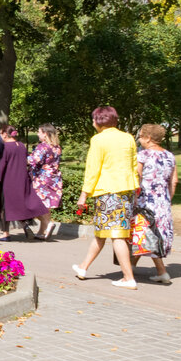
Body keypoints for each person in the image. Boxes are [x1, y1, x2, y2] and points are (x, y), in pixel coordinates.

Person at [72, 105, 139, 289]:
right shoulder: (128, 138)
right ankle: (83, 267)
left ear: (98, 120)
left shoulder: (98, 140)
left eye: (93, 119)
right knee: (102, 233)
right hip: (125, 191)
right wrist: (134, 190)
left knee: (117, 236)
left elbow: (93, 169)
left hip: (107, 192)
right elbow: (133, 166)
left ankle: (128, 278)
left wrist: (84, 194)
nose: (92, 122)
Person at [134, 123, 178, 284]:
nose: (139, 139)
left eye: (140, 136)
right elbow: (174, 181)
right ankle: (131, 265)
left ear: (148, 138)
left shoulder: (143, 155)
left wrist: (134, 198)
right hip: (163, 201)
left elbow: (137, 177)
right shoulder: (169, 156)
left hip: (146, 201)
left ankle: (162, 271)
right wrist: (168, 199)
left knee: (146, 233)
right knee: (152, 233)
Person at [0, 126, 51, 240]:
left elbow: (1, 166)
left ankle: (5, 233)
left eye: (1, 134)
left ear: (5, 134)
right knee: (20, 204)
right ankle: (25, 224)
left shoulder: (5, 147)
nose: (0, 136)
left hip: (8, 180)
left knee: (5, 205)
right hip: (22, 179)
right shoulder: (21, 145)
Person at [27, 124, 63, 217]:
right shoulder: (57, 147)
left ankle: (47, 225)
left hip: (41, 180)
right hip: (54, 179)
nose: (38, 134)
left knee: (36, 205)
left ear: (45, 134)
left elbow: (32, 160)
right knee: (46, 206)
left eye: (39, 132)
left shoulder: (43, 146)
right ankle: (44, 230)